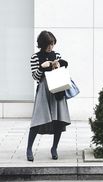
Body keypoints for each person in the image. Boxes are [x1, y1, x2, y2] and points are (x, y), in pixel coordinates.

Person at [26, 31, 71, 161]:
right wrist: (42, 67)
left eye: (52, 44)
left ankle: (54, 148)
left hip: (57, 88)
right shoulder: (35, 57)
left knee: (59, 119)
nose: (51, 47)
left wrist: (57, 65)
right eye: (48, 44)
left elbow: (62, 71)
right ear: (42, 44)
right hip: (44, 90)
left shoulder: (56, 55)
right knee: (37, 119)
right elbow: (35, 77)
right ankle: (29, 149)